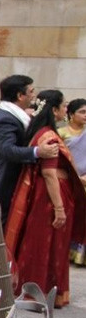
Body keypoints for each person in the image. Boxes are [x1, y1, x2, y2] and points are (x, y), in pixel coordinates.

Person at [5, 90, 84, 309]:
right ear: (55, 109)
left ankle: (41, 290)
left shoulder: (41, 132)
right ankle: (40, 291)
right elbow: (50, 174)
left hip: (45, 196)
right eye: (63, 106)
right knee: (46, 243)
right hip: (49, 198)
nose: (65, 109)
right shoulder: (49, 136)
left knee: (42, 243)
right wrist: (59, 208)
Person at [0, 74, 59, 224]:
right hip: (5, 181)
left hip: (10, 181)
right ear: (20, 95)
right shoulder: (6, 119)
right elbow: (8, 150)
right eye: (31, 91)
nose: (34, 96)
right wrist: (38, 152)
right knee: (0, 227)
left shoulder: (12, 115)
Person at [59, 98, 86, 264]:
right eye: (82, 112)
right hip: (69, 181)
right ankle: (67, 252)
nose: (85, 115)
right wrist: (76, 177)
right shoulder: (61, 133)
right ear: (70, 114)